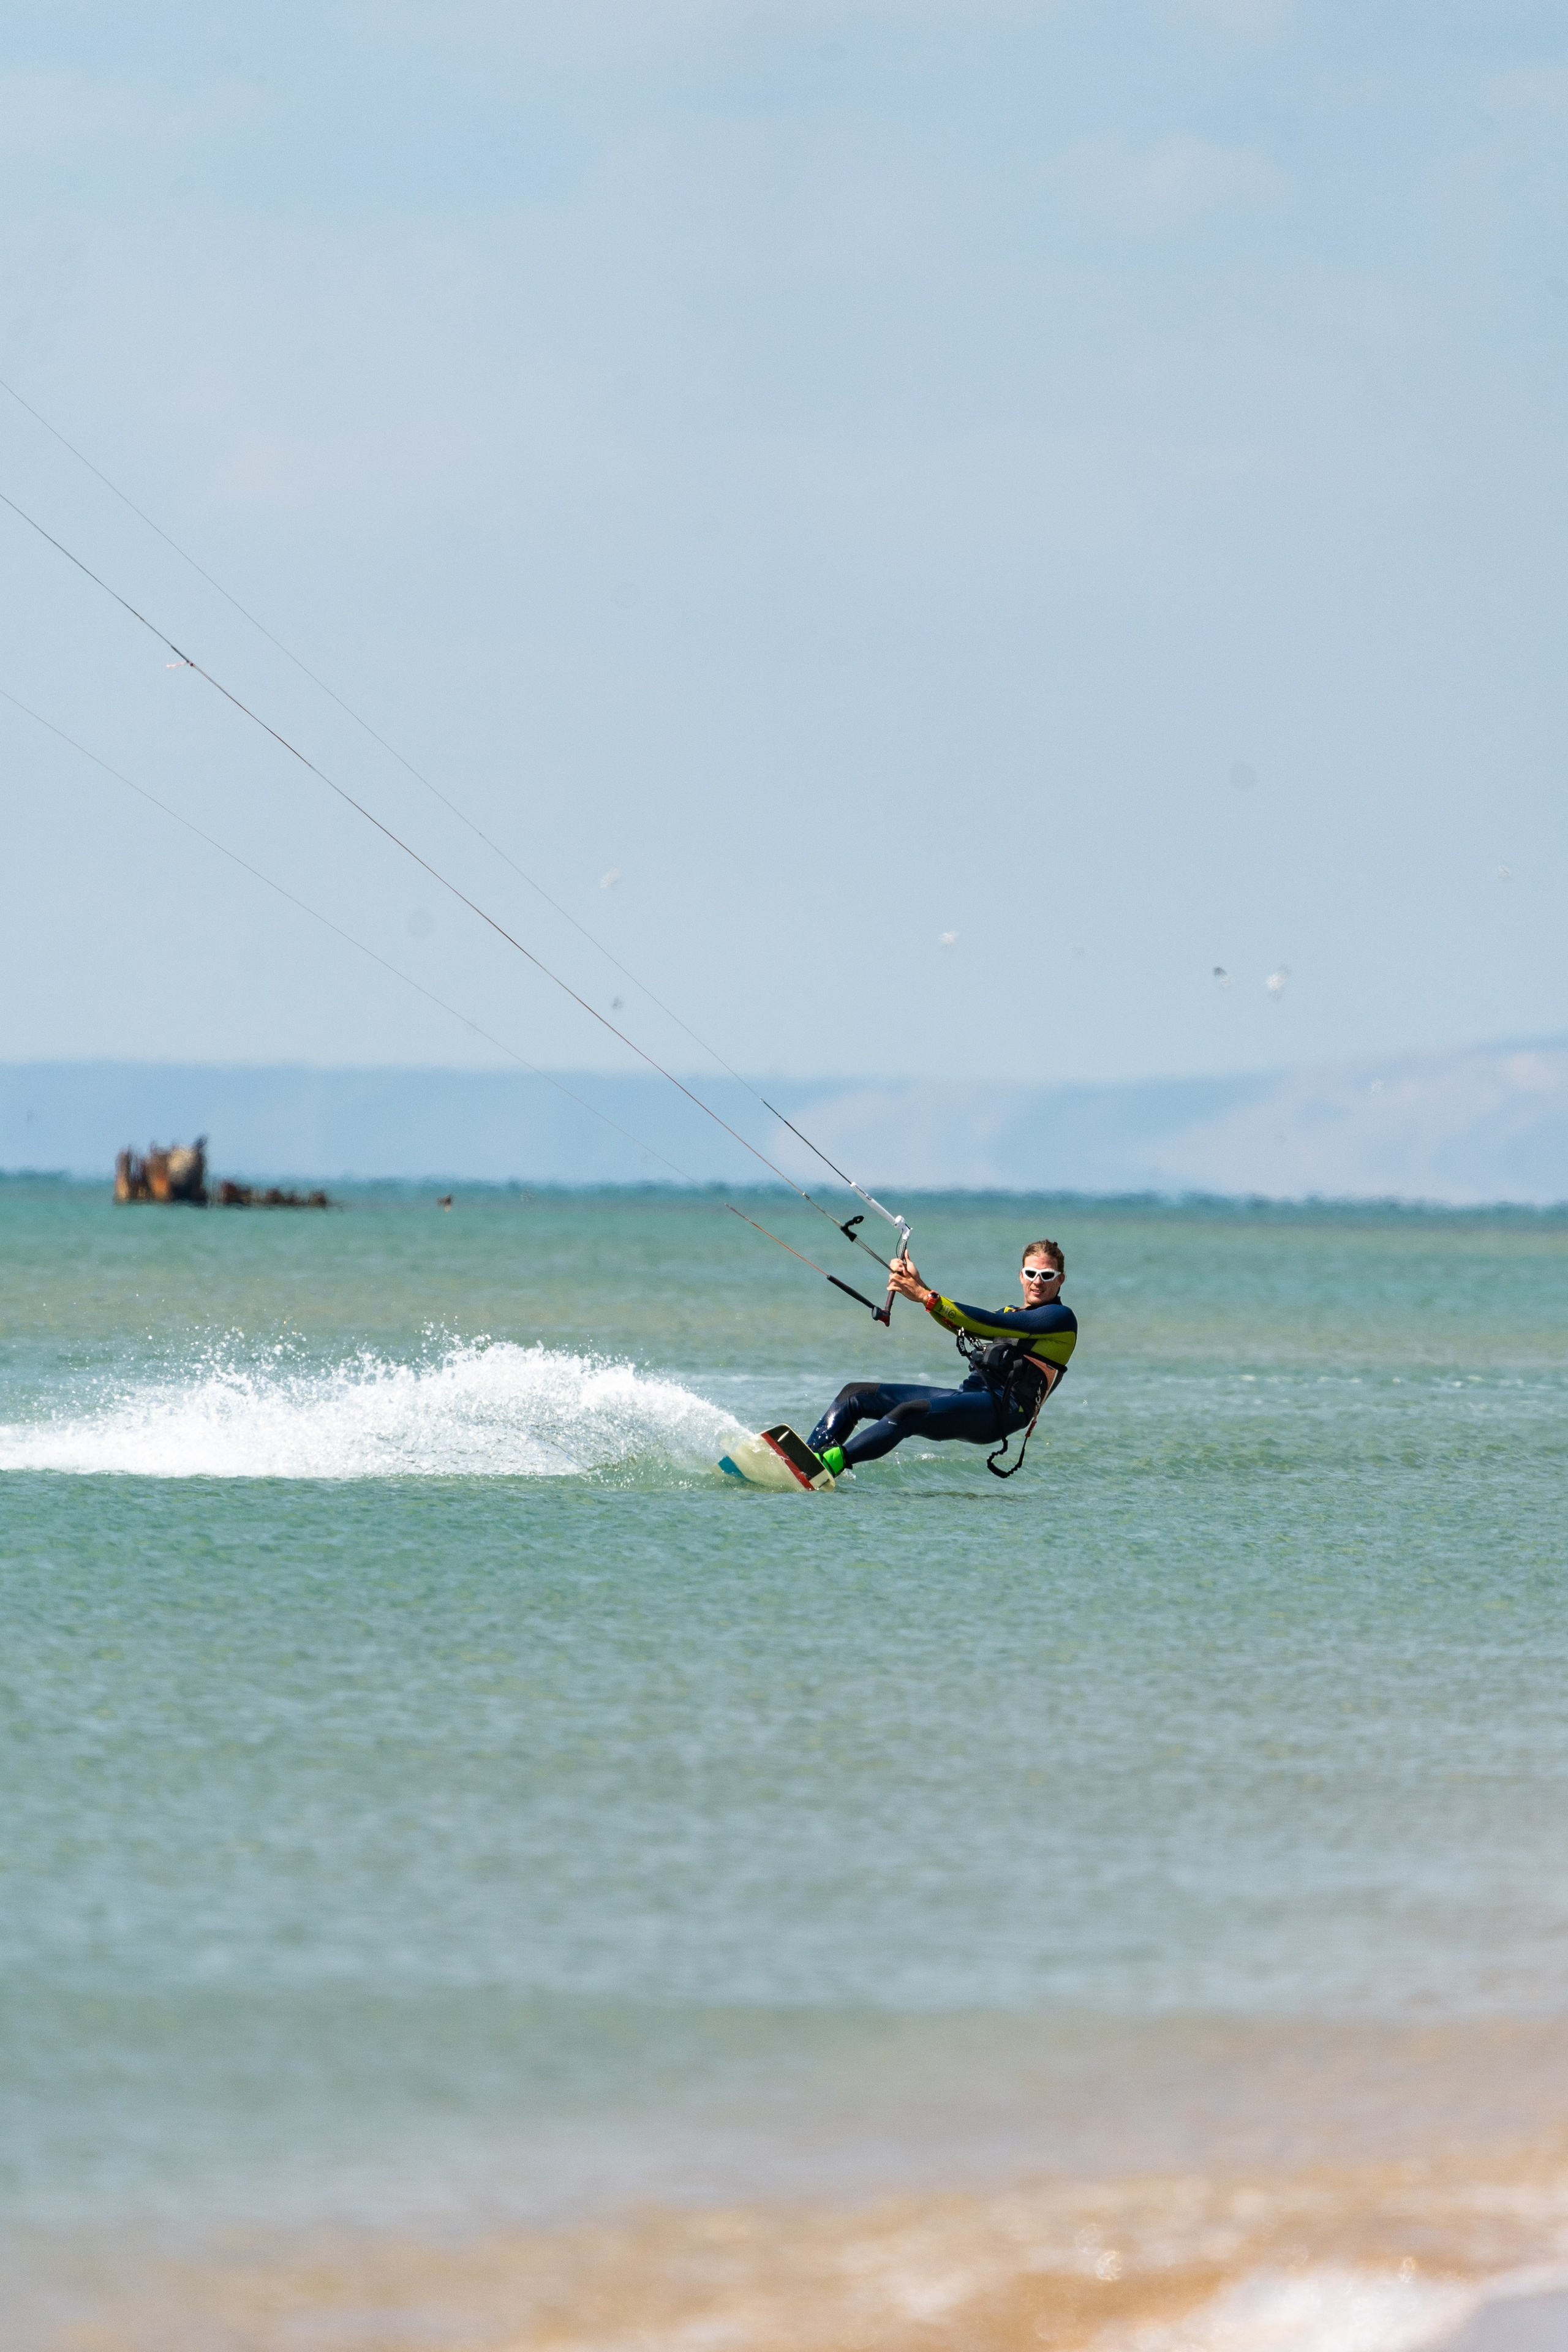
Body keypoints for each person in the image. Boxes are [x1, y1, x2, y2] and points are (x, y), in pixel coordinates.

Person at [807, 1238, 1077, 1474]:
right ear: (1021, 1275)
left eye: (1047, 1275)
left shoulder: (1060, 1319)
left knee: (908, 1414)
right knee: (855, 1394)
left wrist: (925, 1296)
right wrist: (917, 1285)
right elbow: (961, 1324)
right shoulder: (1010, 1313)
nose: (1037, 1282)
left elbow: (987, 1324)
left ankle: (829, 1464)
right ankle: (806, 1458)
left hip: (1001, 1413)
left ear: (1061, 1279)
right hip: (969, 1396)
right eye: (1031, 1273)